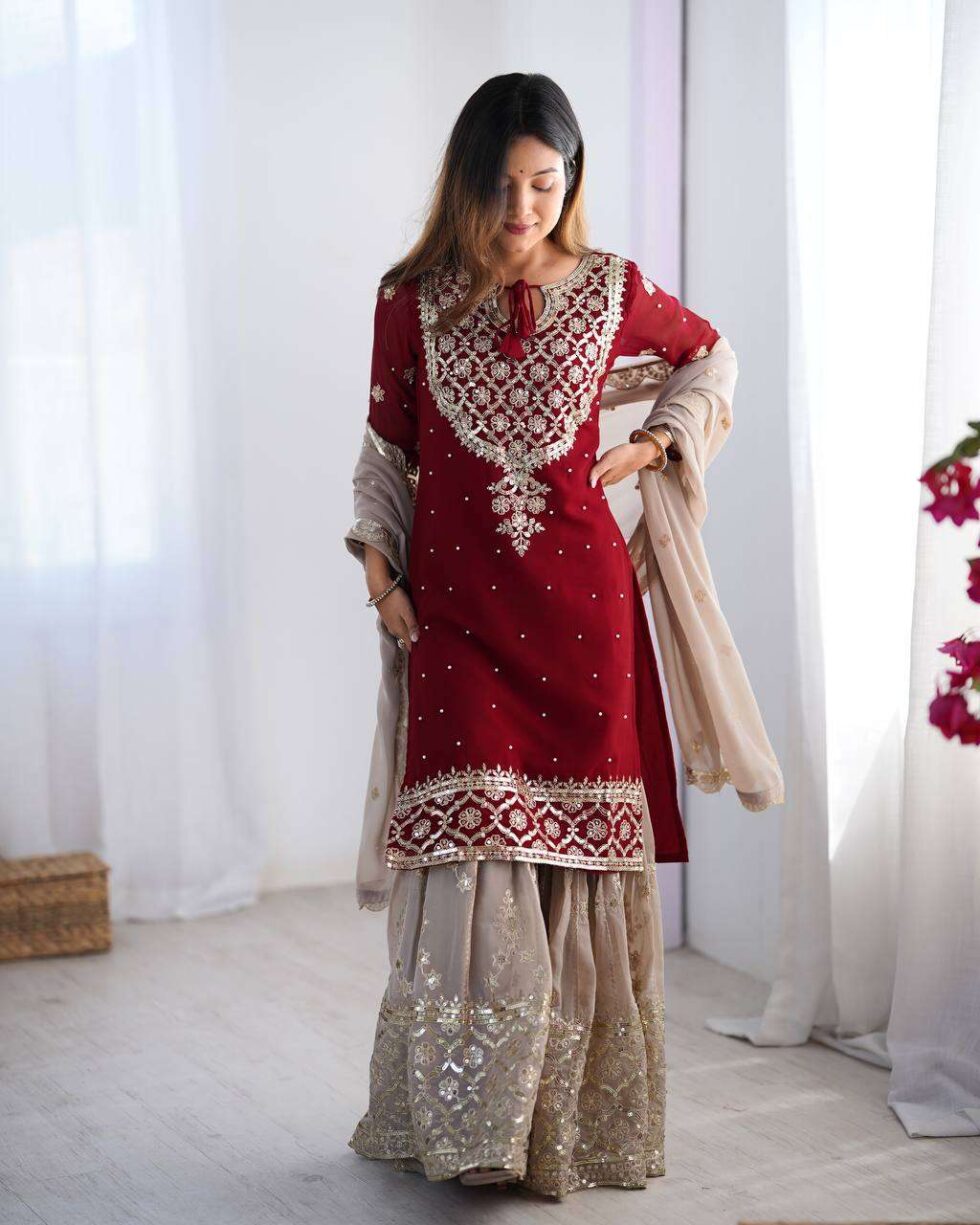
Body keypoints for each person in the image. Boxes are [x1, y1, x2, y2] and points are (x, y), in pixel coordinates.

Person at [343, 71, 784, 1199]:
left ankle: (559, 1132)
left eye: (545, 184)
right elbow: (386, 450)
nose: (524, 208)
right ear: (465, 182)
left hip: (582, 614)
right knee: (471, 856)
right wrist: (383, 579)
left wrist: (652, 446)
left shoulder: (612, 287)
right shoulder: (412, 299)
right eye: (502, 185)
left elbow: (711, 356)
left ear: (571, 180)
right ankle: (469, 1126)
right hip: (458, 620)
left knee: (575, 863)